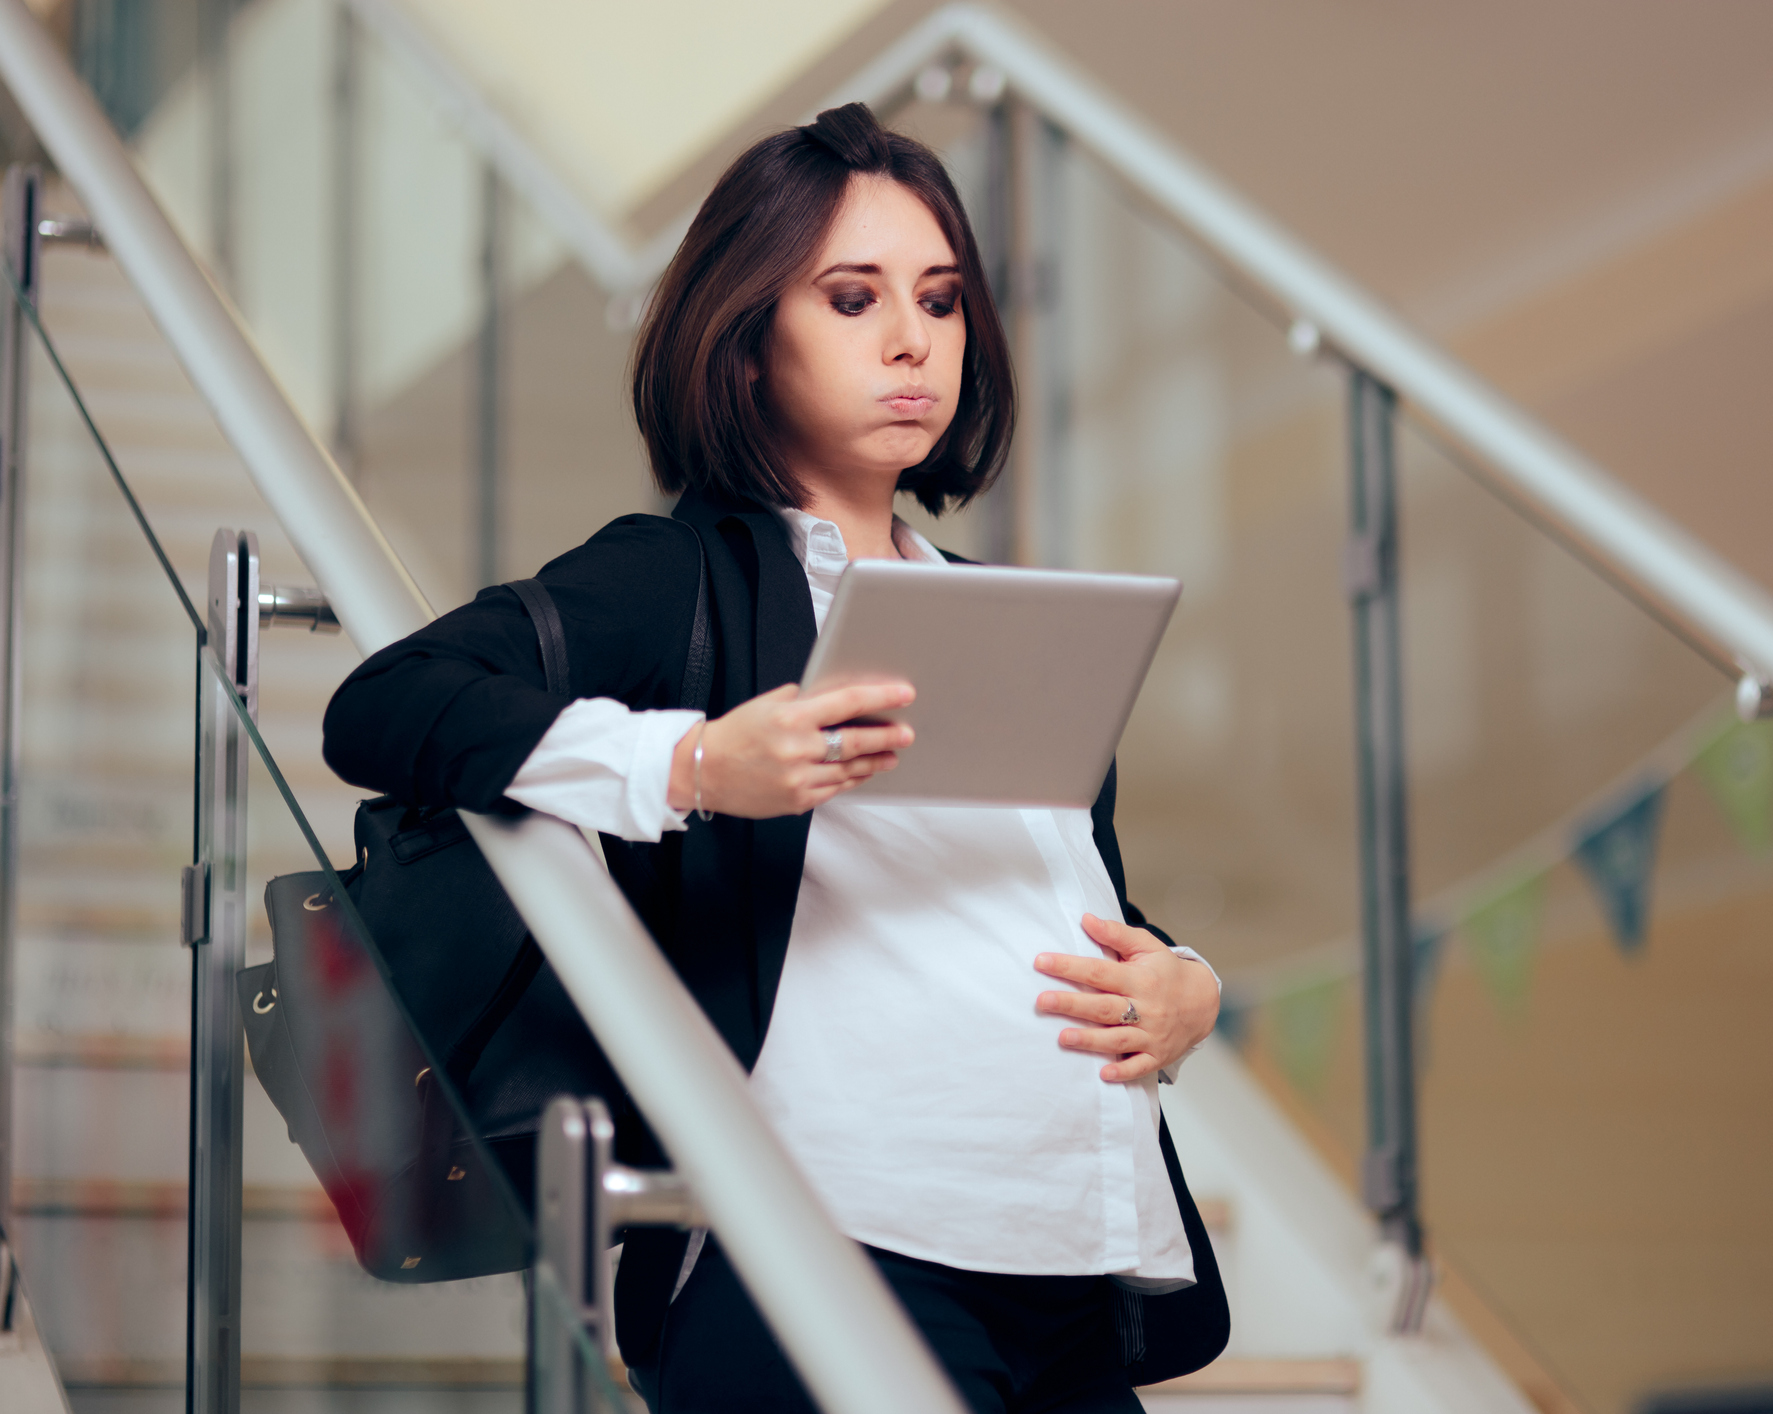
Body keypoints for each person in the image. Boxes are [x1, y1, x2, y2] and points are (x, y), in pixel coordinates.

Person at [322, 103, 1228, 1413]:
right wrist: (689, 765)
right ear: (749, 345)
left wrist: (1185, 985)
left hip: (1073, 1259)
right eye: (852, 299)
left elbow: (1057, 906)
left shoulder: (1004, 611)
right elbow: (386, 705)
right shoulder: (678, 575)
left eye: (941, 299)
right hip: (831, 1246)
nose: (914, 339)